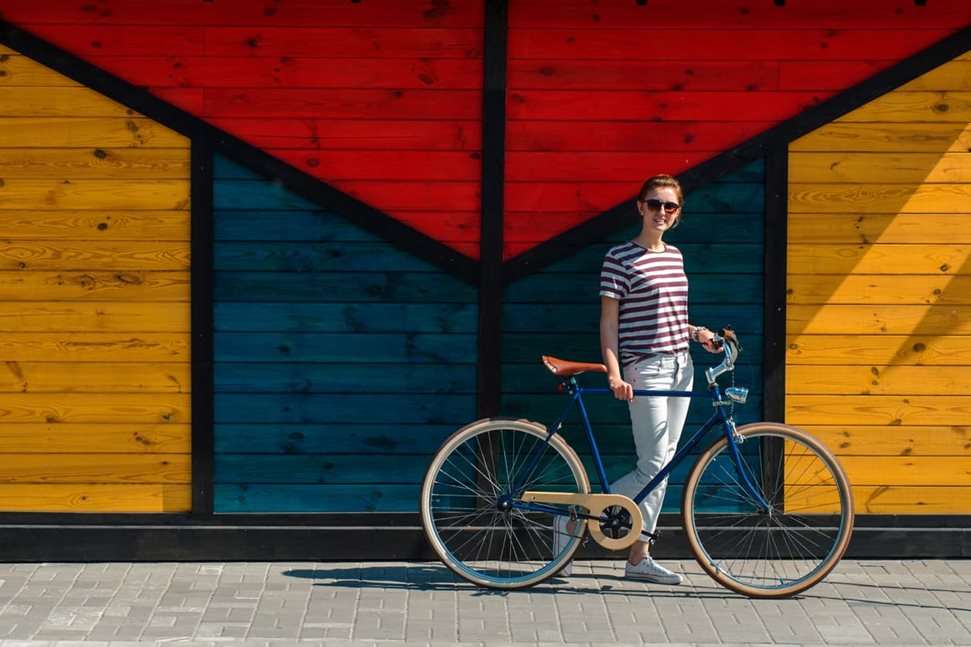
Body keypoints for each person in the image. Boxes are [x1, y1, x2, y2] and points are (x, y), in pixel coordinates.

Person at [598, 174, 718, 583]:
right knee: (652, 463)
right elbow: (609, 322)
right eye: (654, 204)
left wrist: (697, 333)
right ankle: (585, 514)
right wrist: (614, 374)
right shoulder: (619, 257)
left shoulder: (675, 256)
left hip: (681, 366)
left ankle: (638, 556)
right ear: (640, 207)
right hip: (643, 367)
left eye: (670, 206)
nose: (661, 212)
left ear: (678, 212)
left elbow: (671, 317)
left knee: (664, 465)